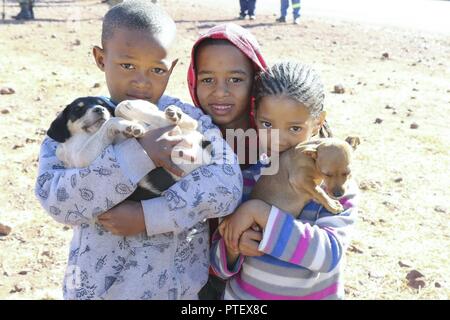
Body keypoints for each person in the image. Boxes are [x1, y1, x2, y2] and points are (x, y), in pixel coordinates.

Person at [35, 0, 242, 300]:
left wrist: (150, 215)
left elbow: (228, 185)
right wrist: (137, 156)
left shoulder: (187, 120)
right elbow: (55, 199)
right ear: (100, 58)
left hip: (180, 292)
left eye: (157, 70)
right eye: (128, 65)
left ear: (171, 69)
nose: (142, 81)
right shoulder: (80, 119)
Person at [211, 61, 359, 300]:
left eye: (294, 128)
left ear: (318, 122)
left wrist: (259, 212)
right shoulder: (245, 178)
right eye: (267, 124)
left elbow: (329, 255)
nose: (278, 139)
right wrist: (232, 248)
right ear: (254, 117)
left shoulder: (333, 187)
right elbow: (218, 265)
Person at [186, 23, 267, 299]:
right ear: (194, 80)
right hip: (195, 281)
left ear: (256, 80)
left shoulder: (275, 145)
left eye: (235, 79)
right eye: (208, 79)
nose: (220, 92)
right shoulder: (186, 140)